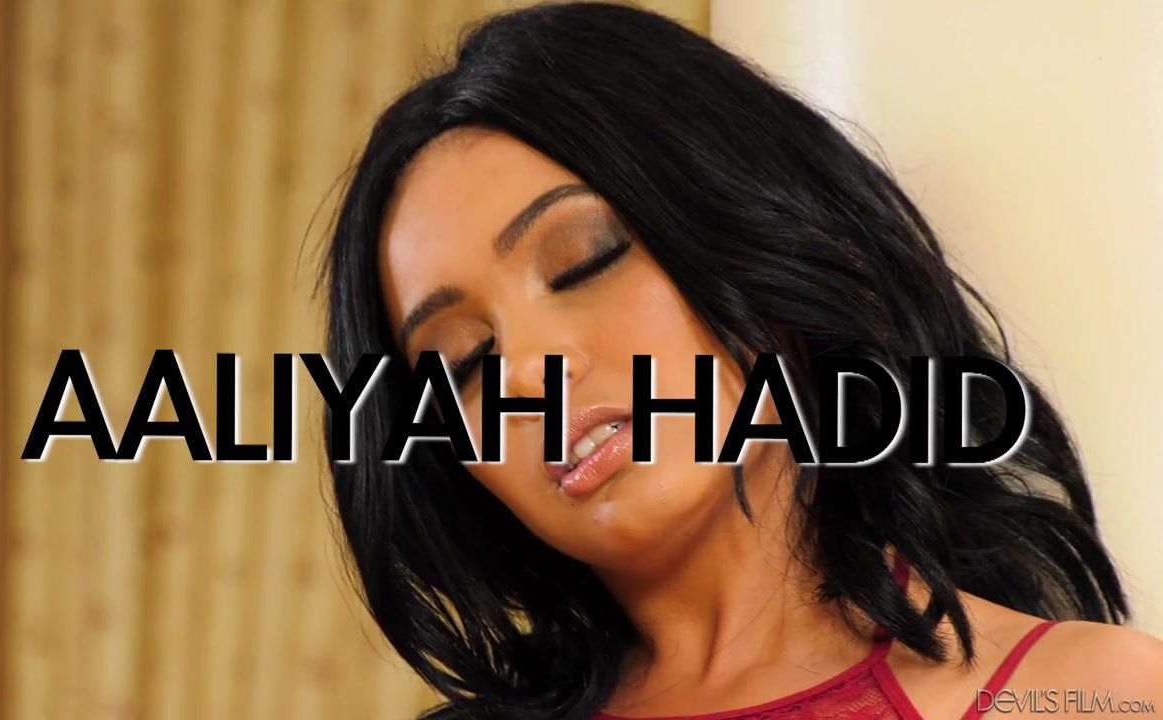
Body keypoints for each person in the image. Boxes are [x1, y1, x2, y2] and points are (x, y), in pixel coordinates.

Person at [317, 3, 1163, 718]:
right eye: (464, 362)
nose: (527, 375)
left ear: (758, 236)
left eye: (584, 262)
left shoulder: (1091, 696)